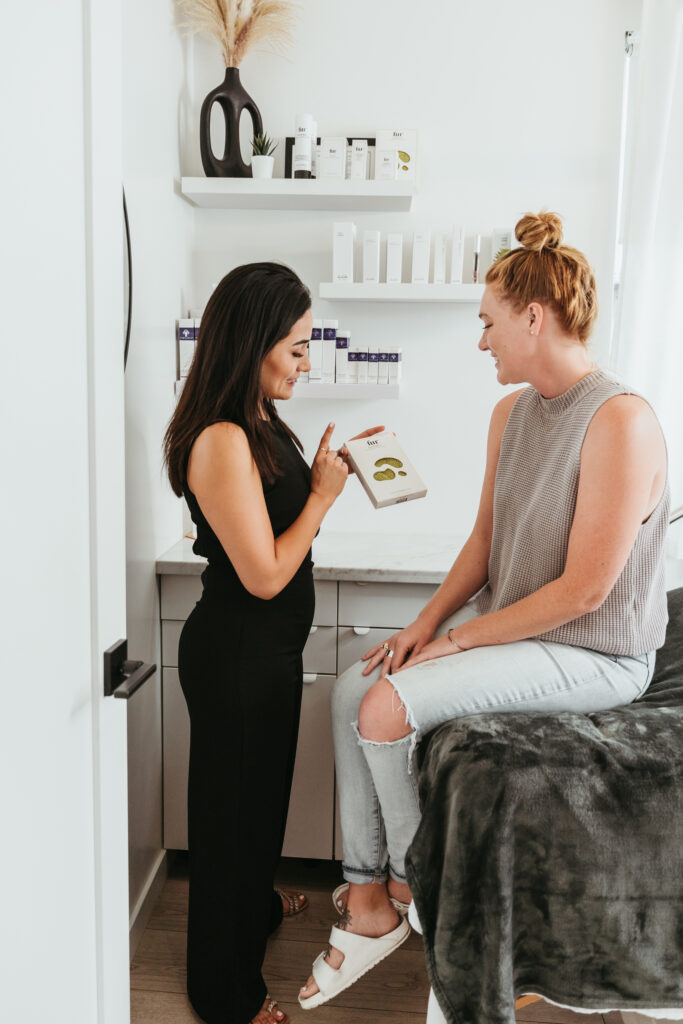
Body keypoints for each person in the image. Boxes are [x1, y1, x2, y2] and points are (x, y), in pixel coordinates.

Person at [298, 211, 671, 1010]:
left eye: (487, 323)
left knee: (387, 708)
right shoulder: (510, 416)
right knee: (350, 689)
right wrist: (425, 628)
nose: (480, 342)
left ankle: (414, 892)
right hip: (530, 635)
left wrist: (461, 642)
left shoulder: (621, 420)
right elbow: (482, 544)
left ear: (533, 317)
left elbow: (583, 593)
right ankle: (366, 898)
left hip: (597, 653)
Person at [163, 262, 381, 1024]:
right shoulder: (222, 437)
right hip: (237, 655)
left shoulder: (255, 418)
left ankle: (250, 908)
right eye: (293, 347)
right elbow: (262, 575)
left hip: (263, 655)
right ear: (252, 343)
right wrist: (321, 498)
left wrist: (317, 479)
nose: (304, 361)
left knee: (254, 805)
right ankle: (224, 995)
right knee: (231, 819)